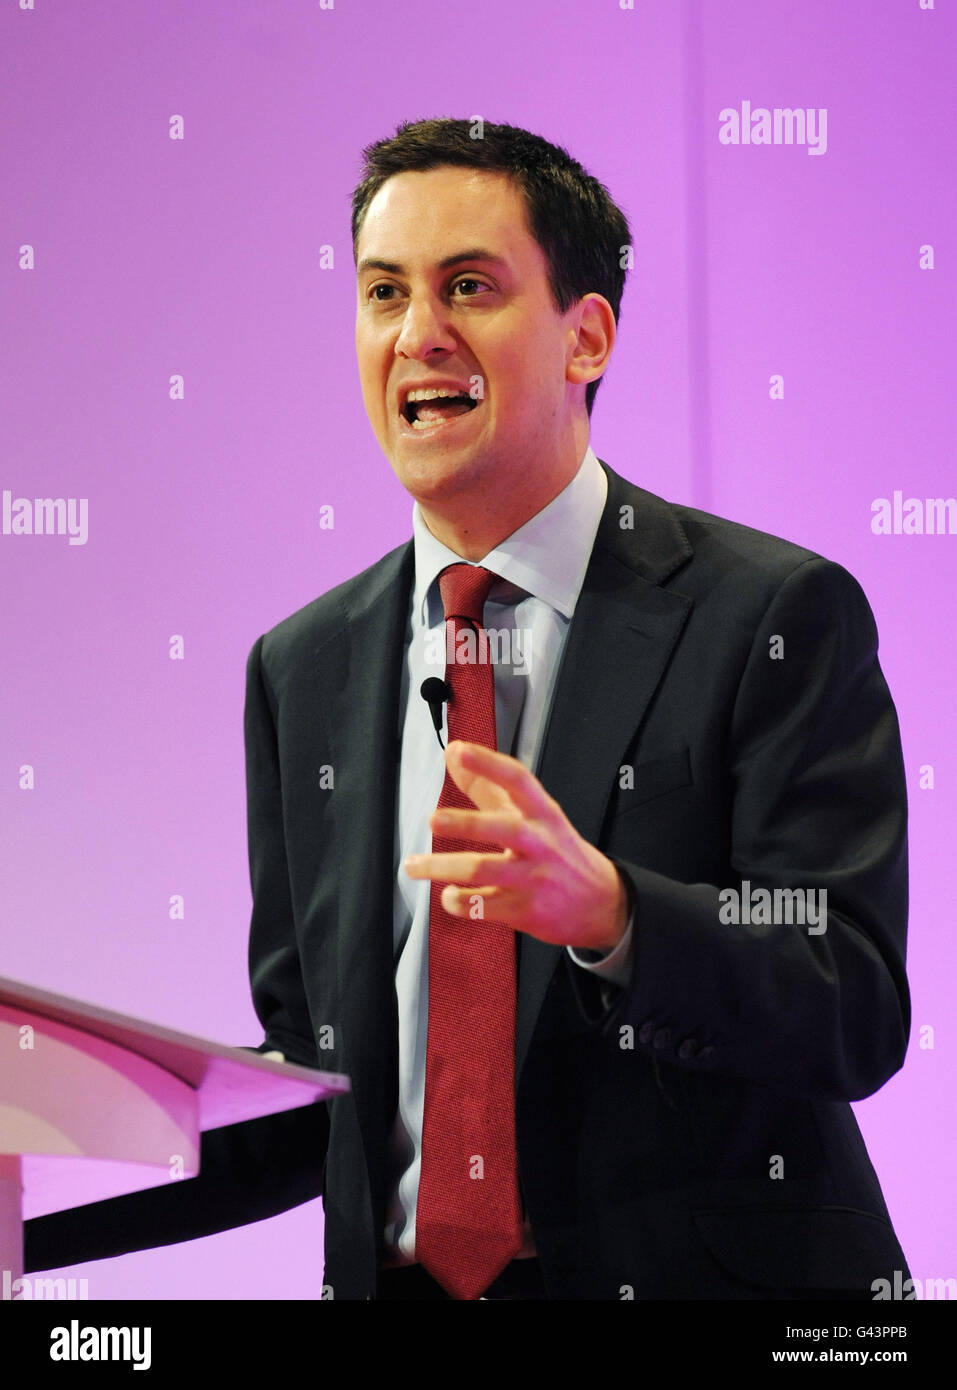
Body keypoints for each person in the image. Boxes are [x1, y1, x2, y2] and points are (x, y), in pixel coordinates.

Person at [25, 117, 911, 1302]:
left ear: (586, 334)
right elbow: (318, 1093)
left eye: (471, 287)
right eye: (383, 291)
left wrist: (612, 911)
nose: (417, 335)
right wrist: (33, 1212)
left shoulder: (767, 613)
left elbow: (849, 999)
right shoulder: (303, 667)